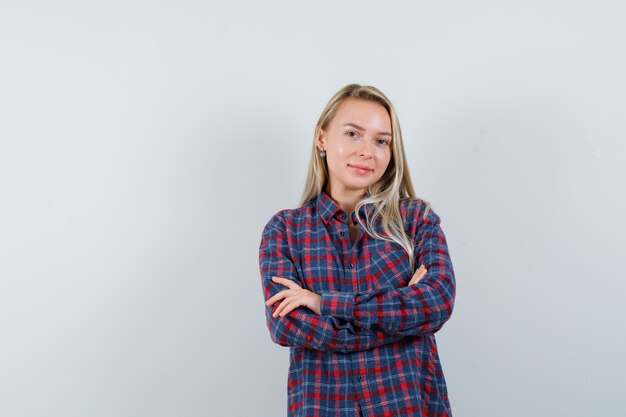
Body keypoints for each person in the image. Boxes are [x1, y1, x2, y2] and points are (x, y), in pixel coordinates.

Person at [258, 83, 456, 417]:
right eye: (352, 134)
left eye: (381, 141)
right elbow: (286, 326)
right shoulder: (285, 230)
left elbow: (436, 303)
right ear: (322, 139)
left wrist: (323, 304)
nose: (367, 151)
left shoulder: (416, 220)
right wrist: (400, 318)